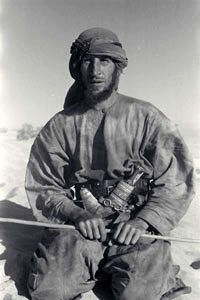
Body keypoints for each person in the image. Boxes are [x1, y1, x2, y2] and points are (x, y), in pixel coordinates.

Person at [25, 27, 195, 300]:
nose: (95, 70)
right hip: (82, 224)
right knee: (53, 288)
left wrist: (143, 221)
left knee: (139, 294)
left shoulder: (147, 117)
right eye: (87, 61)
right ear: (77, 68)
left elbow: (175, 181)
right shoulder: (59, 125)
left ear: (118, 68)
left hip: (133, 224)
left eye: (104, 60)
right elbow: (43, 186)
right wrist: (77, 214)